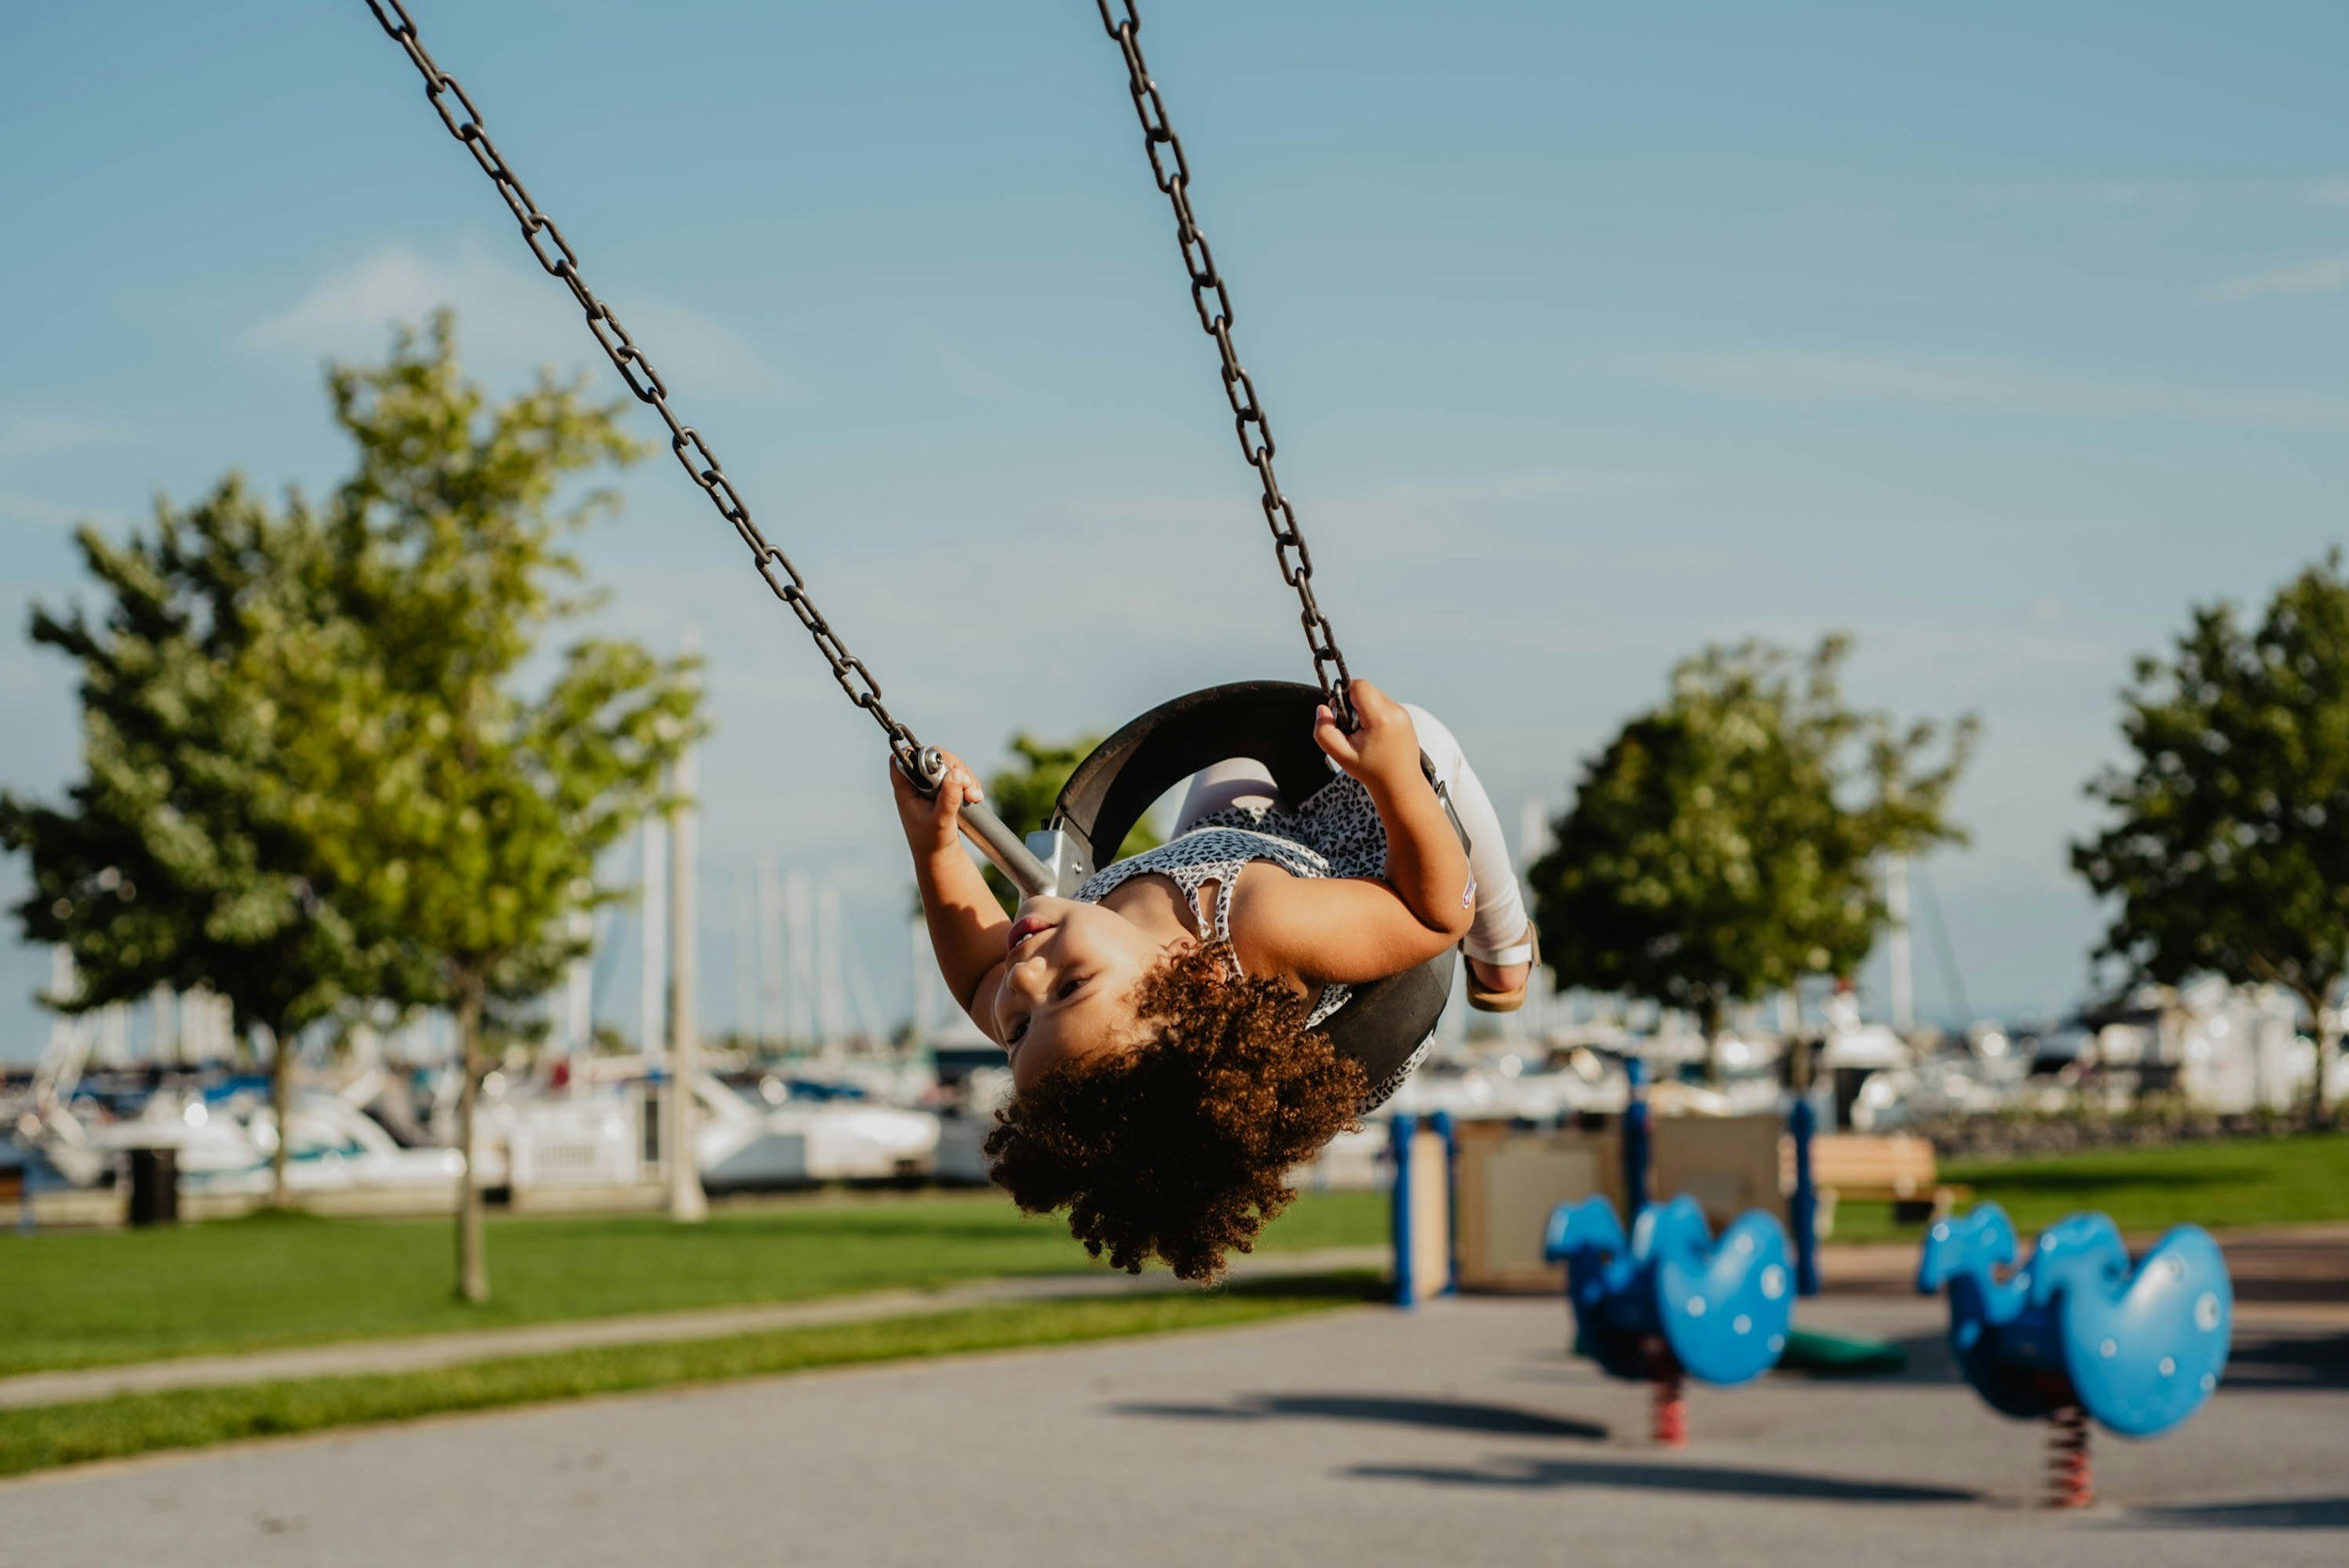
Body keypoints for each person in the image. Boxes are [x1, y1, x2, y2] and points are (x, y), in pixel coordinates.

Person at [893, 678, 1535, 1281]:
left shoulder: (1082, 1011)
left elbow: (980, 975)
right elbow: (1432, 915)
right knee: (1422, 739)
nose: (1025, 978)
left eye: (1018, 1027)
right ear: (1194, 978)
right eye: (1069, 986)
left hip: (1227, 841)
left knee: (1240, 752)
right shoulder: (1265, 924)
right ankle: (1506, 947)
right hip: (1368, 871)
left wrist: (936, 845)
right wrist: (1395, 779)